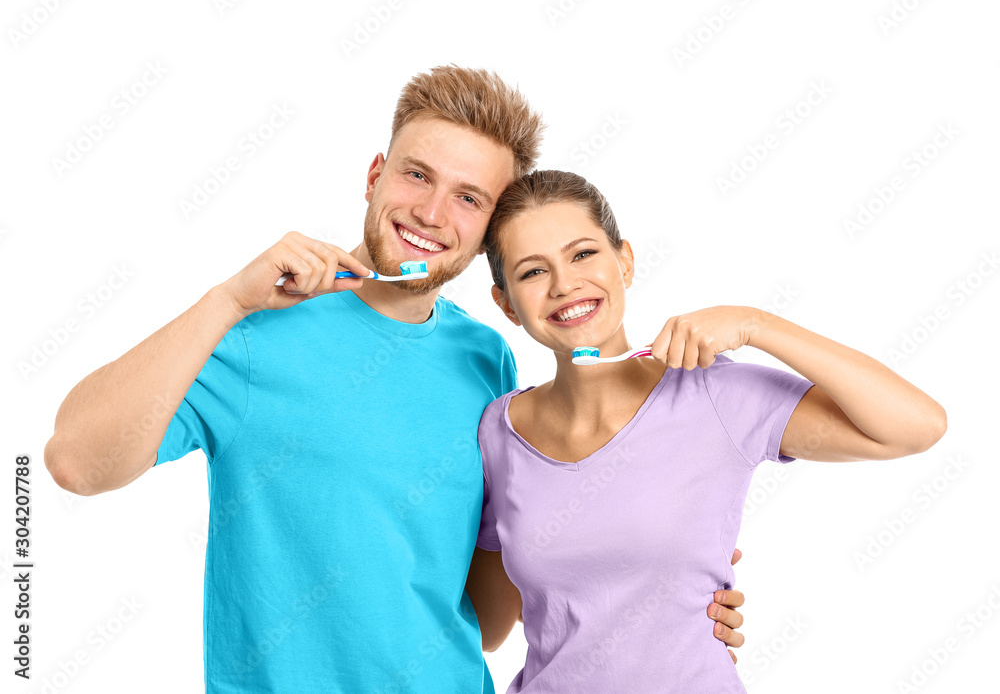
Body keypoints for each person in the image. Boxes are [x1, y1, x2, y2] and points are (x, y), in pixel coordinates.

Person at [43, 68, 745, 693]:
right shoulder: (254, 334)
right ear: (375, 174)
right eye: (417, 176)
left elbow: (489, 613)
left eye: (470, 199)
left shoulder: (486, 359)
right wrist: (226, 300)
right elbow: (76, 462)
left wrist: (669, 580)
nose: (433, 214)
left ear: (488, 238)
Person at [472, 169, 947, 693]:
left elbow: (916, 427)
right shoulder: (498, 431)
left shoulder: (715, 396)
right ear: (505, 304)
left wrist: (756, 324)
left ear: (624, 261)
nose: (565, 284)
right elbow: (494, 625)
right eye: (533, 272)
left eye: (583, 254)